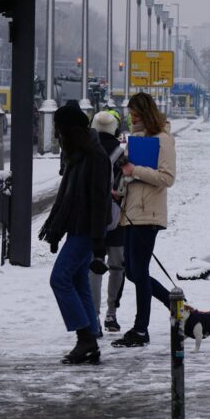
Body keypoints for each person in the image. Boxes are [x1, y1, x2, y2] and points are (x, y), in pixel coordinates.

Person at [39, 105, 112, 364]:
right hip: (77, 228)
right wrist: (57, 231)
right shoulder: (77, 155)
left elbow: (100, 202)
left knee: (60, 279)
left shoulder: (95, 157)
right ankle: (90, 338)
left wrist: (98, 247)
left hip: (87, 231)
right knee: (79, 281)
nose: (58, 135)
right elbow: (67, 198)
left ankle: (86, 339)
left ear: (71, 130)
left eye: (60, 129)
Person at [112, 92, 176, 348]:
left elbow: (167, 177)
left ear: (145, 114)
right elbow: (133, 176)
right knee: (132, 272)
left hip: (148, 214)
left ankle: (141, 329)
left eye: (135, 115)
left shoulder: (163, 140)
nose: (131, 119)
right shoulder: (137, 140)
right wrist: (122, 184)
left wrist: (133, 170)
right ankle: (174, 303)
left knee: (138, 271)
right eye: (130, 114)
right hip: (132, 212)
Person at [88, 110, 126, 335]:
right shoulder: (121, 152)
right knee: (117, 266)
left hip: (92, 218)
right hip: (117, 216)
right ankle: (112, 312)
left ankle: (93, 316)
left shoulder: (87, 150)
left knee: (94, 267)